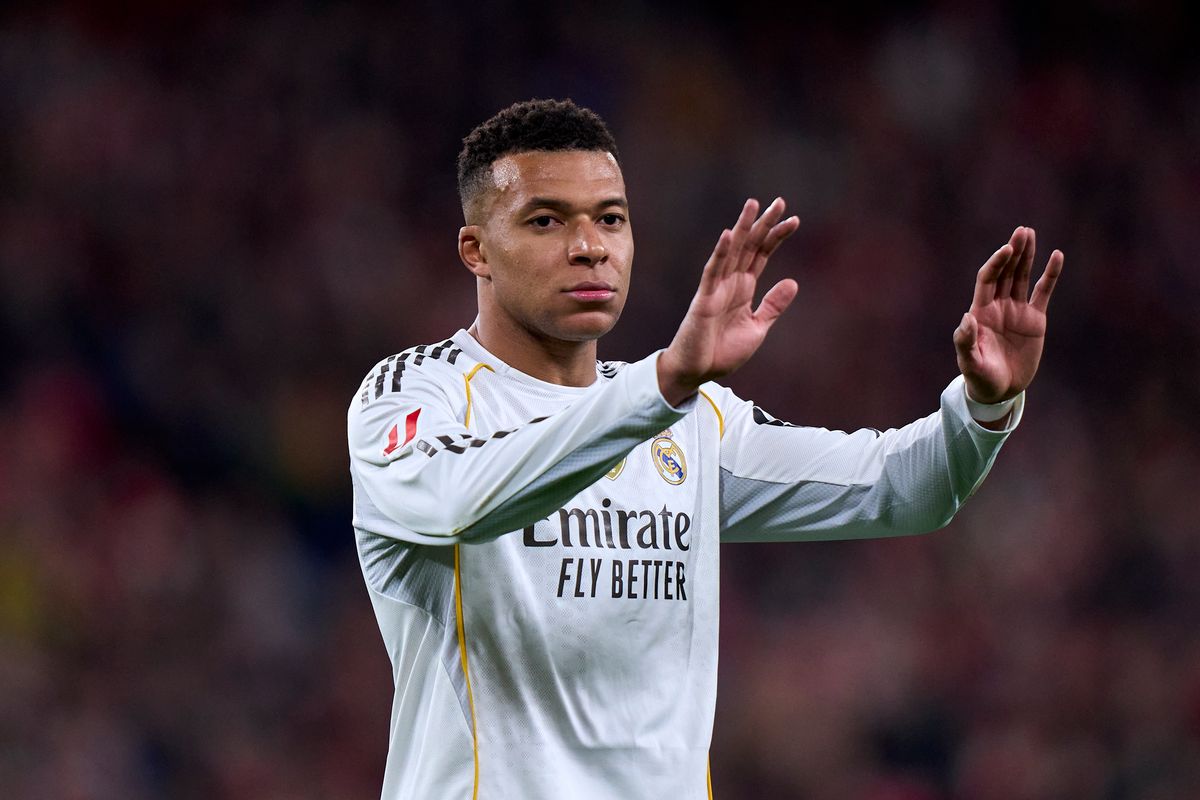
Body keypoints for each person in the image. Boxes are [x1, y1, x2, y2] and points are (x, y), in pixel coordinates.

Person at [346, 98, 1063, 800]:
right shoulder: (411, 396)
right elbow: (458, 502)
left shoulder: (691, 417)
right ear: (477, 251)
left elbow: (902, 487)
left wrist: (982, 406)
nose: (589, 245)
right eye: (545, 220)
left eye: (611, 219)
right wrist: (661, 385)